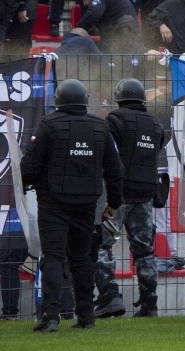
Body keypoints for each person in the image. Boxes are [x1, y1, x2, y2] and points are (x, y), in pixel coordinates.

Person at [20, 78, 124, 332]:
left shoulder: (49, 124)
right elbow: (115, 170)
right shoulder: (101, 127)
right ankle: (86, 317)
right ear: (85, 100)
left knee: (53, 257)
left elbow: (30, 166)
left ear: (58, 100)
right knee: (82, 260)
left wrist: (25, 186)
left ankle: (51, 316)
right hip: (86, 205)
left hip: (53, 204)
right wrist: (113, 203)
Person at [94, 78, 169, 319]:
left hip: (118, 196)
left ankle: (110, 296)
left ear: (119, 97)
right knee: (144, 250)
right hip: (145, 195)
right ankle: (149, 304)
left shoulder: (114, 120)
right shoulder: (156, 124)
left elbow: (106, 153)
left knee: (102, 245)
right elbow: (157, 148)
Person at [75, 0, 141, 56]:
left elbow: (92, 14)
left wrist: (77, 31)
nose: (84, 4)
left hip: (120, 37)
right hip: (128, 37)